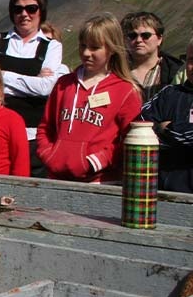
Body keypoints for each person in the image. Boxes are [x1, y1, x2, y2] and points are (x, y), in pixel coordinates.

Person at [36, 13, 143, 183]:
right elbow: (45, 127)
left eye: (95, 47)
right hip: (57, 178)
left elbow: (131, 139)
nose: (86, 53)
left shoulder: (126, 90)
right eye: (83, 46)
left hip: (99, 181)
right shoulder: (64, 84)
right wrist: (49, 154)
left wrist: (98, 161)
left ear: (111, 49)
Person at [0, 0, 68, 177]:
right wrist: (33, 80)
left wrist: (2, 74)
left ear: (41, 11)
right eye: (18, 9)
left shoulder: (52, 46)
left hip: (33, 136)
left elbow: (46, 88)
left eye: (31, 9)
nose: (24, 14)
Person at [140, 38, 193, 193]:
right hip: (161, 192)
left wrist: (167, 128)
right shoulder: (168, 94)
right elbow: (141, 127)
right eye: (191, 60)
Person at [121, 11, 182, 102]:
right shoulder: (114, 69)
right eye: (132, 36)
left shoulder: (177, 72)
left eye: (146, 35)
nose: (138, 40)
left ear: (159, 39)